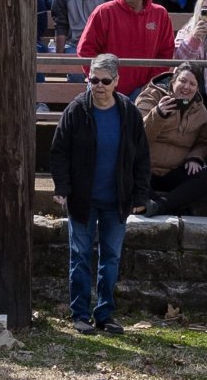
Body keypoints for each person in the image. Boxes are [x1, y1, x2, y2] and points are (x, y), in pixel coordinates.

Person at [48, 52, 146, 334]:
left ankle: (104, 314)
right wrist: (62, 188)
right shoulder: (77, 110)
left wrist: (140, 195)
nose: (98, 85)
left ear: (116, 81)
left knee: (111, 257)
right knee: (79, 256)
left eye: (105, 80)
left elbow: (140, 157)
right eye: (93, 79)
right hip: (82, 199)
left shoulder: (128, 112)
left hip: (116, 200)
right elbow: (59, 152)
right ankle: (79, 314)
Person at [133, 62, 207, 216]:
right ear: (173, 81)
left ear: (197, 88)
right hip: (145, 170)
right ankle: (170, 204)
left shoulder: (201, 111)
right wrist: (158, 115)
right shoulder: (150, 96)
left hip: (174, 170)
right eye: (183, 81)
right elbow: (137, 136)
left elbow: (204, 142)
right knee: (125, 170)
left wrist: (195, 157)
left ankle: (160, 206)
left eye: (192, 84)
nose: (187, 87)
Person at [77, 0, 176, 96]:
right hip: (106, 88)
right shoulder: (103, 12)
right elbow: (85, 49)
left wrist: (152, 83)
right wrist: (102, 80)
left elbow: (165, 53)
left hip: (145, 89)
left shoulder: (160, 14)